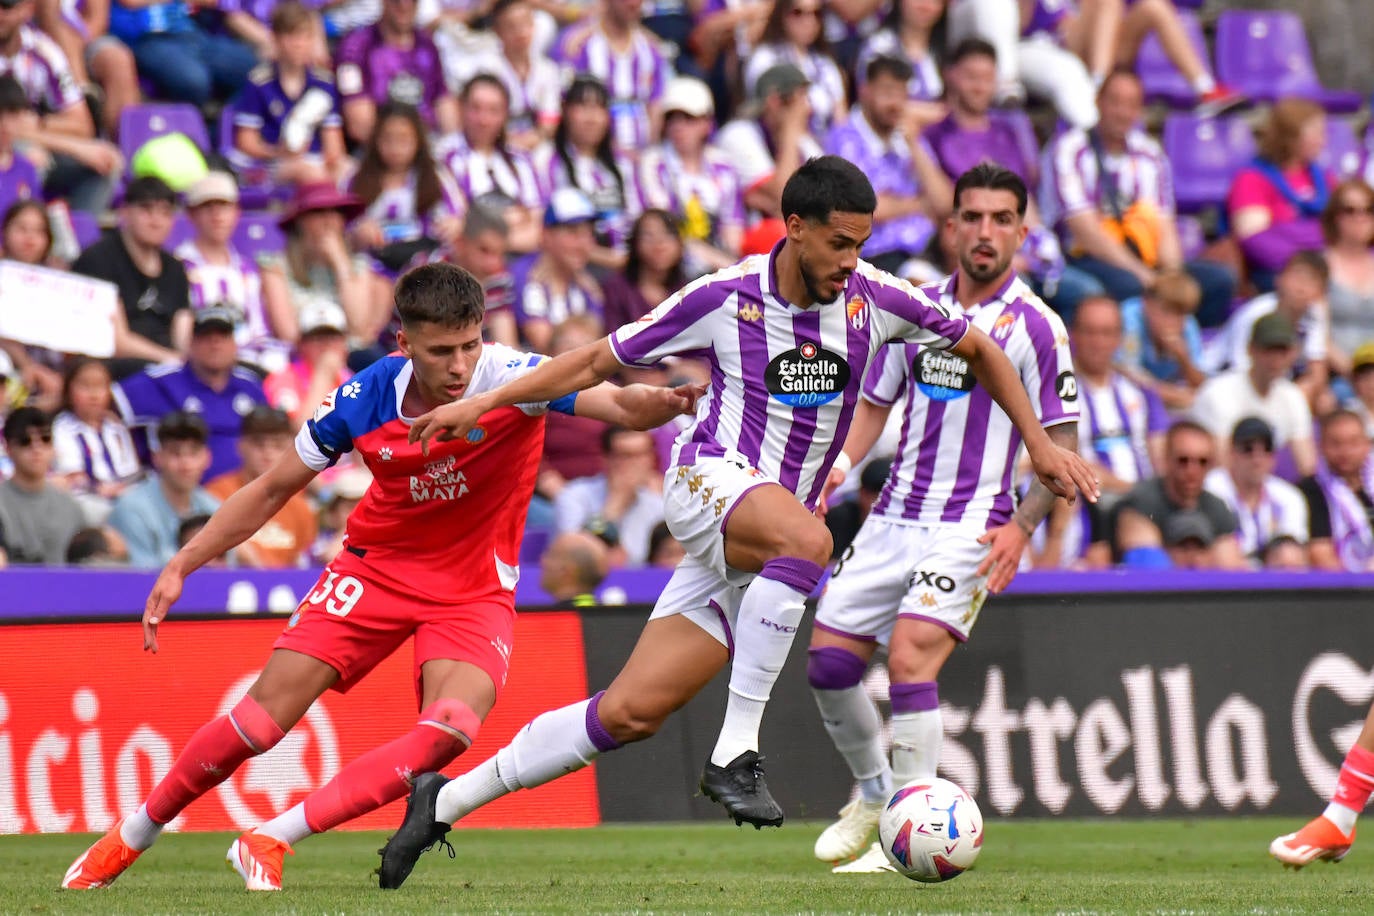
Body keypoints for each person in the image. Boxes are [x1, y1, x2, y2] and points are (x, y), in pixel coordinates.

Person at [375, 156, 1097, 888]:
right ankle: (735, 753)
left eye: (862, 244)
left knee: (627, 713)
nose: (852, 262)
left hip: (756, 541)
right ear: (795, 230)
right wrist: (480, 404)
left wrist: (1037, 444)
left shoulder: (877, 299)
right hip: (706, 482)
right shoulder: (725, 296)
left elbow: (978, 347)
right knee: (811, 539)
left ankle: (442, 802)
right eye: (840, 244)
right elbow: (595, 360)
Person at [60, 262, 700, 892]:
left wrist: (662, 403)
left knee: (450, 730)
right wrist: (181, 564)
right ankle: (132, 835)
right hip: (376, 572)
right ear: (404, 344)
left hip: (474, 589)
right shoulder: (362, 399)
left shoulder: (512, 376)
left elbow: (616, 402)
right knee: (258, 723)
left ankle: (271, 838)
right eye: (442, 350)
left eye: (470, 345)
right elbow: (272, 489)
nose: (460, 365)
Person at [803, 163, 1080, 873]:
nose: (984, 232)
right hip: (892, 515)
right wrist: (837, 470)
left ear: (1022, 230)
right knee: (830, 666)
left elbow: (1062, 445)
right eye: (972, 217)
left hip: (971, 523)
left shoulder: (1039, 329)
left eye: (1000, 219)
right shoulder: (916, 307)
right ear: (951, 224)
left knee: (908, 659)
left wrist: (1022, 526)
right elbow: (873, 404)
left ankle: (905, 837)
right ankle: (873, 794)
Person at [1041, 69, 1235, 327]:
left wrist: (1172, 277)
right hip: (1087, 257)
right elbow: (1084, 231)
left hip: (1145, 260)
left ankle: (1187, 349)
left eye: (1131, 104)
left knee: (1220, 281)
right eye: (1115, 102)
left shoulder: (1150, 153)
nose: (1122, 112)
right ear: (1098, 102)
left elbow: (1163, 224)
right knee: (1130, 287)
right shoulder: (1071, 148)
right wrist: (1145, 277)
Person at [824, 54, 950, 276]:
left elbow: (944, 203)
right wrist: (920, 204)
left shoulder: (908, 135)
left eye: (902, 94)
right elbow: (866, 208)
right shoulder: (844, 137)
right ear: (865, 91)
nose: (895, 103)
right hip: (877, 257)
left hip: (929, 249)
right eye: (888, 93)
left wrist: (913, 145)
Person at [113, 306, 269, 481]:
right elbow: (108, 404)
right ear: (191, 344)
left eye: (222, 337)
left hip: (246, 492)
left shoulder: (251, 385)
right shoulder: (162, 381)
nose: (215, 344)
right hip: (182, 495)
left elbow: (270, 440)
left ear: (234, 346)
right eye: (207, 338)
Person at [176, 172, 295, 376]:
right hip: (209, 363)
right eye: (207, 207)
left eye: (224, 206)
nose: (216, 215)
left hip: (261, 359)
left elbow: (283, 333)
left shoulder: (252, 268)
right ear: (191, 215)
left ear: (236, 212)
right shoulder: (178, 266)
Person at [71, 176, 192, 377]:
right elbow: (115, 340)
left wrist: (188, 360)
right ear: (124, 212)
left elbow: (183, 332)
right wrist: (170, 359)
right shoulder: (98, 259)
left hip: (167, 364)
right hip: (116, 365)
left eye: (165, 213)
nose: (156, 221)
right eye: (146, 210)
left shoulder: (175, 268)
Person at [635, 76, 744, 276]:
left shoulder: (724, 166)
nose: (678, 126)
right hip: (671, 269)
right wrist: (725, 264)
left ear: (707, 123)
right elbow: (661, 231)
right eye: (672, 118)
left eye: (688, 118)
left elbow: (733, 230)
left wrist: (729, 264)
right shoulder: (653, 163)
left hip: (717, 265)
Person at [231, 0, 347, 187]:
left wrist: (332, 164)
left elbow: (334, 145)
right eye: (291, 36)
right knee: (307, 172)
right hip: (272, 165)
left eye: (305, 36)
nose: (299, 44)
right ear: (275, 38)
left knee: (350, 170)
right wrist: (278, 152)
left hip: (316, 161)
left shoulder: (324, 83)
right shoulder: (260, 82)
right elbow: (246, 141)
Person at [1192, 313, 1317, 479]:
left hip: (1261, 487)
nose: (1276, 359)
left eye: (1282, 351)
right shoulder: (1218, 392)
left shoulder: (1293, 397)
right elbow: (1221, 466)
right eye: (1268, 350)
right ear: (1251, 349)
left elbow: (1308, 467)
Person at [1109, 419, 1246, 570]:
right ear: (1166, 459)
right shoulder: (1141, 501)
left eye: (1202, 462)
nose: (1192, 471)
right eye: (1183, 461)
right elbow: (1149, 571)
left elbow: (1233, 571)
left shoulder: (1216, 507)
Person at [1227, 98, 1331, 288]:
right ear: (1290, 137)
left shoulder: (1324, 178)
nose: (1322, 141)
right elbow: (1254, 240)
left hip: (1327, 267)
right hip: (1277, 274)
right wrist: (1313, 255)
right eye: (1316, 133)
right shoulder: (1252, 179)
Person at [1207, 251, 1330, 409]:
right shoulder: (1254, 315)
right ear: (1279, 279)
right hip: (1221, 375)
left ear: (1320, 292)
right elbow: (1242, 372)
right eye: (1297, 278)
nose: (1302, 287)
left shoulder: (1314, 314)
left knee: (1325, 401)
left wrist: (1296, 395)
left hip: (1278, 381)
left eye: (1311, 281)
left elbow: (1318, 373)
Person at [543, 74, 640, 270]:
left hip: (627, 265)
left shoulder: (623, 165)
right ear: (565, 109)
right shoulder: (546, 160)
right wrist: (609, 259)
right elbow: (546, 226)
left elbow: (637, 216)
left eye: (599, 108)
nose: (592, 118)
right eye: (583, 107)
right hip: (577, 265)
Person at [104, 411, 219, 568]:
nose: (185, 464)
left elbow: (225, 568)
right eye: (175, 453)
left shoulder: (214, 508)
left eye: (193, 453)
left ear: (207, 457)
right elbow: (140, 577)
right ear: (157, 458)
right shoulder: (132, 508)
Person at [205, 406, 317, 568]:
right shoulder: (216, 494)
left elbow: (304, 564)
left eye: (277, 444)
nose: (268, 452)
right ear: (240, 445)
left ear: (290, 447)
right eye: (259, 444)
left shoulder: (300, 507)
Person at [334, 0, 457, 144]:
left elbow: (443, 102)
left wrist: (450, 144)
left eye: (412, 1)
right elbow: (359, 126)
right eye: (396, 1)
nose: (404, 6)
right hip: (375, 151)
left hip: (428, 146)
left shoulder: (427, 45)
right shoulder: (356, 47)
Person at [1203, 417, 1309, 567]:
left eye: (1266, 449)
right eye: (1248, 449)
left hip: (1273, 582)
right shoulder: (1212, 487)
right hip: (1225, 580)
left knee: (1289, 554)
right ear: (1232, 453)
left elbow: (1293, 553)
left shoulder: (1289, 496)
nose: (1257, 459)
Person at [554, 425, 664, 567]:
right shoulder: (574, 496)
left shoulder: (658, 505)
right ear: (606, 459)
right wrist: (615, 505)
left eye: (642, 455)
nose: (635, 464)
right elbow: (574, 557)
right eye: (626, 456)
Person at [51, 357, 142, 525]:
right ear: (68, 391)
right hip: (87, 499)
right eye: (85, 386)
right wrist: (100, 488)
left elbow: (130, 472)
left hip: (122, 495)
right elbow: (73, 477)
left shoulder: (116, 428)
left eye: (100, 386)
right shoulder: (62, 428)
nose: (93, 395)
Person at [514, 188, 604, 352]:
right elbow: (548, 347)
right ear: (546, 235)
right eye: (573, 233)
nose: (583, 244)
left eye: (588, 233)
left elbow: (597, 343)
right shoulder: (526, 275)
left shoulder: (586, 284)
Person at [743, 0, 847, 134]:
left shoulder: (826, 63)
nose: (809, 21)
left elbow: (841, 119)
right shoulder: (763, 58)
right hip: (775, 142)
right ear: (782, 15)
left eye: (816, 13)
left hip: (821, 146)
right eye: (798, 13)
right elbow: (765, 112)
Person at [0, 406, 85, 564]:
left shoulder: (70, 507)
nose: (36, 448)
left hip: (64, 587)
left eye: (45, 439)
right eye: (25, 441)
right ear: (8, 448)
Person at [1298, 409, 1374, 572]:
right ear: (1321, 446)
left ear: (1367, 444)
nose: (1345, 452)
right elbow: (1320, 554)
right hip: (1343, 589)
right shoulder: (1311, 490)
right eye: (1336, 444)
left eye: (1353, 443)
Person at [1322, 179, 1374, 379]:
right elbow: (1318, 336)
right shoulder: (1320, 267)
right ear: (1335, 216)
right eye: (1350, 210)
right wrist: (1356, 376)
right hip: (1336, 375)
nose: (1360, 217)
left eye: (1368, 209)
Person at [538, 530, 609, 607]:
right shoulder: (611, 616)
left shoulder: (552, 618)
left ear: (567, 570)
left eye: (551, 556)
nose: (543, 561)